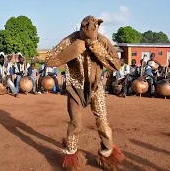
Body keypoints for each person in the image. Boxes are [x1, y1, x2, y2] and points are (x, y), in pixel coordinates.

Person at [45, 16, 124, 170]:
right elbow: (49, 60)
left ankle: (107, 153)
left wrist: (96, 48)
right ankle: (71, 157)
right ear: (81, 29)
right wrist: (73, 50)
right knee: (76, 123)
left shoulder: (103, 41)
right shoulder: (70, 40)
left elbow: (116, 65)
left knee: (102, 121)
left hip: (96, 87)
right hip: (75, 87)